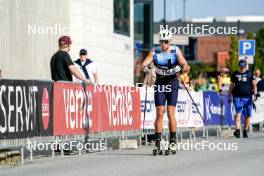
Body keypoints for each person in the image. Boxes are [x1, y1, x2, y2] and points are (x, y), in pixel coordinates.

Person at [141, 29, 189, 155]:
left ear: (170, 42)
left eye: (166, 42)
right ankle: (158, 144)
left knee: (170, 112)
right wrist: (146, 68)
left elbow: (186, 65)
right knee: (159, 113)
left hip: (172, 83)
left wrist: (182, 67)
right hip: (160, 83)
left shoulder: (175, 50)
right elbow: (144, 63)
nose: (164, 44)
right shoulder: (155, 51)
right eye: (162, 41)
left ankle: (172, 144)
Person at [228, 59, 257, 138]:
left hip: (247, 98)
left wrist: (255, 94)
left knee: (247, 115)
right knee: (238, 115)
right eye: (240, 67)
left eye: (243, 67)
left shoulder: (250, 74)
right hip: (237, 97)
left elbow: (254, 85)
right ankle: (237, 130)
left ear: (246, 66)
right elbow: (231, 85)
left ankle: (245, 130)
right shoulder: (234, 74)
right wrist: (229, 95)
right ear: (238, 66)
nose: (242, 68)